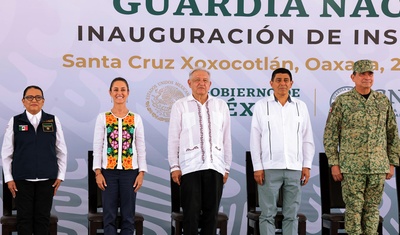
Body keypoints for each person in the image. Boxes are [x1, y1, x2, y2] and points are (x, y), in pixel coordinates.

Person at [323, 59, 400, 235]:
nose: (367, 77)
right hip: (351, 166)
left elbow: (392, 133)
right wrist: (334, 163)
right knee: (354, 210)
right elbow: (330, 134)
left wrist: (392, 162)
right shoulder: (342, 101)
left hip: (378, 166)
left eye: (370, 73)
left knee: (372, 210)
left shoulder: (382, 101)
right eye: (362, 74)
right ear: (353, 77)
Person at [250, 68, 315, 235]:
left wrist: (306, 165)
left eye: (286, 80)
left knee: (291, 215)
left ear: (291, 84)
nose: (282, 83)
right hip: (269, 167)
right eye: (278, 80)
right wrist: (257, 166)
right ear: (271, 83)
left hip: (294, 168)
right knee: (267, 214)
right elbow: (255, 138)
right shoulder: (261, 106)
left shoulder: (301, 106)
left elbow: (307, 137)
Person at [168, 67, 232, 235]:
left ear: (210, 84)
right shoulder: (180, 106)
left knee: (211, 215)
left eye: (204, 80)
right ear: (189, 83)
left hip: (215, 166)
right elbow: (173, 138)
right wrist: (174, 166)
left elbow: (226, 139)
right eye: (197, 80)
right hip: (190, 167)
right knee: (191, 214)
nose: (201, 83)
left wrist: (226, 167)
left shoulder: (221, 106)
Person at [1, 85, 68, 234]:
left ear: (43, 101)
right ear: (23, 101)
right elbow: (6, 153)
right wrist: (9, 178)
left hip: (47, 180)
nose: (34, 100)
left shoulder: (52, 120)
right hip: (21, 181)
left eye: (38, 97)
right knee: (24, 221)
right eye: (29, 97)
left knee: (42, 220)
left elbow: (61, 151)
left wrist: (60, 176)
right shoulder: (15, 121)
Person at [92, 77, 147, 235]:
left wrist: (141, 173)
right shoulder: (103, 117)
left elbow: (140, 147)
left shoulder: (135, 118)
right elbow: (98, 146)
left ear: (128, 93)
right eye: (116, 90)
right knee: (108, 216)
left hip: (130, 173)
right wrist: (98, 172)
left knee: (128, 217)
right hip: (108, 172)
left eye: (123, 89)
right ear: (110, 93)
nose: (119, 93)